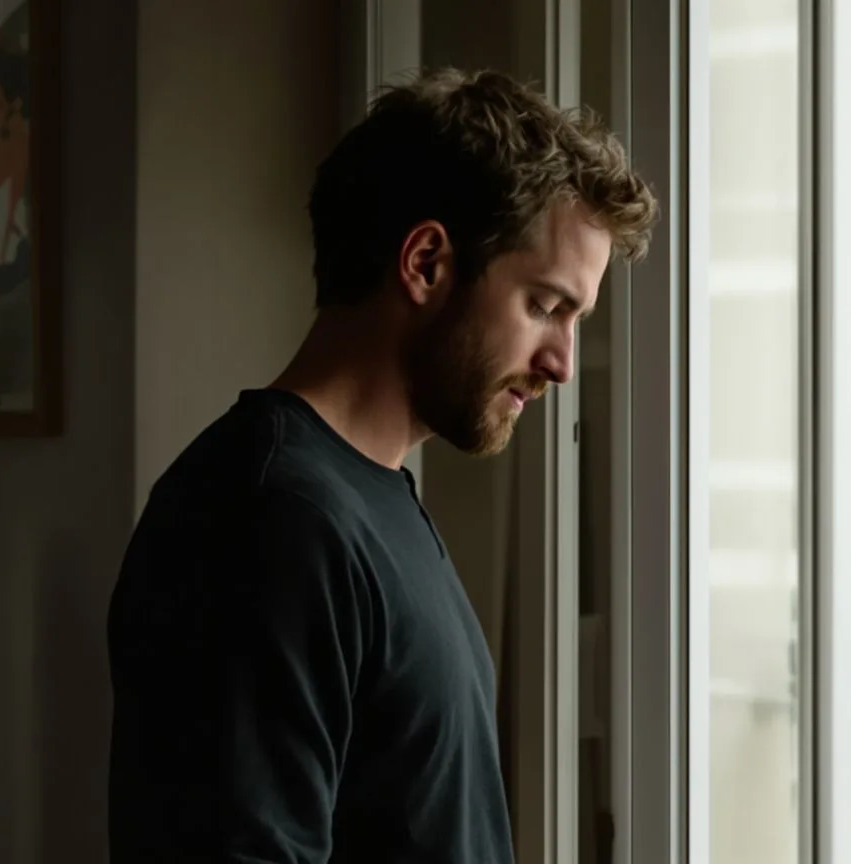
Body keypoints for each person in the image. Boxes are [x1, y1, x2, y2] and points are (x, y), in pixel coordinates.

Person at [105, 67, 658, 863]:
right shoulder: (270, 518)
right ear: (427, 262)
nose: (563, 363)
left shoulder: (367, 498)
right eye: (544, 306)